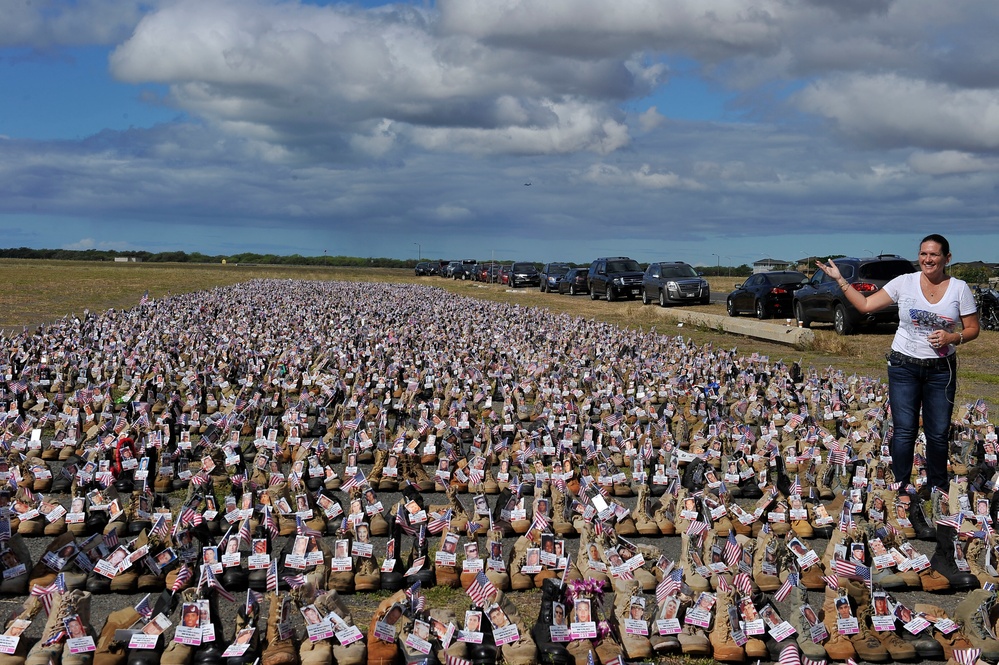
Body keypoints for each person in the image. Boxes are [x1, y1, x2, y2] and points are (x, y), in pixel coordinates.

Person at [816, 234, 979, 496]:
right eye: (923, 253)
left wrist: (953, 337)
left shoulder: (959, 288)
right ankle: (901, 486)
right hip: (904, 365)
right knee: (905, 430)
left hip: (941, 370)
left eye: (934, 254)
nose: (927, 259)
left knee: (938, 433)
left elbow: (973, 328)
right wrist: (840, 280)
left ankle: (937, 486)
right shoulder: (905, 282)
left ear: (947, 258)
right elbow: (866, 304)